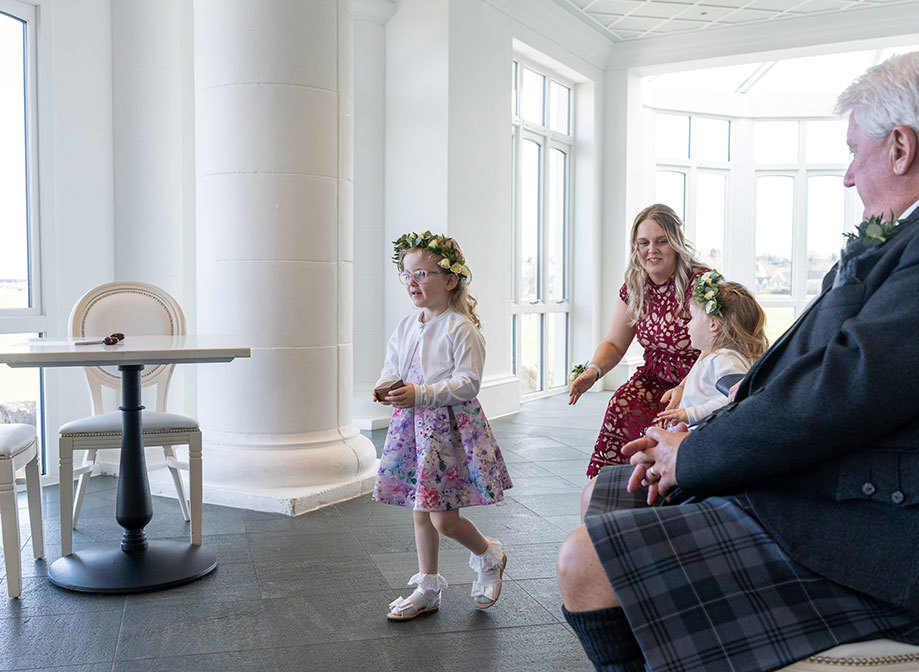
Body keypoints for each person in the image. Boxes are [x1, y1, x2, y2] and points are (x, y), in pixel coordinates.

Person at [556, 51, 919, 672]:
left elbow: (839, 389)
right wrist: (695, 438)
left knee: (582, 560)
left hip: (869, 527)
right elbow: (800, 373)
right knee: (603, 493)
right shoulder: (894, 241)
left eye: (855, 151)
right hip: (816, 477)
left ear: (900, 149)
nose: (847, 177)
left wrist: (694, 456)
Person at [372, 231, 513, 621]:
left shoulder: (461, 328)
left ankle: (488, 554)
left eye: (422, 274)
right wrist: (387, 386)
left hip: (448, 432)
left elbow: (468, 383)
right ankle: (428, 586)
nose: (412, 282)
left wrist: (422, 393)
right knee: (421, 511)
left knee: (442, 518)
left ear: (450, 280)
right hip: (414, 428)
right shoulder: (406, 325)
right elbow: (393, 365)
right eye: (407, 275)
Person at [569, 204, 709, 477]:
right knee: (621, 403)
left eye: (661, 241)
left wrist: (684, 387)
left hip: (696, 379)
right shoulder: (635, 286)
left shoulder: (700, 282)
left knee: (670, 424)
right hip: (653, 379)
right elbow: (615, 343)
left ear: (676, 242)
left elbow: (718, 343)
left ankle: (662, 491)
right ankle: (614, 487)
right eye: (643, 243)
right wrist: (594, 371)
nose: (651, 250)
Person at [655, 270, 768, 429]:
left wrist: (690, 414)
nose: (688, 324)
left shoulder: (724, 359)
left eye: (693, 317)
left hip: (702, 433)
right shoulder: (715, 354)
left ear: (713, 325)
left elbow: (736, 398)